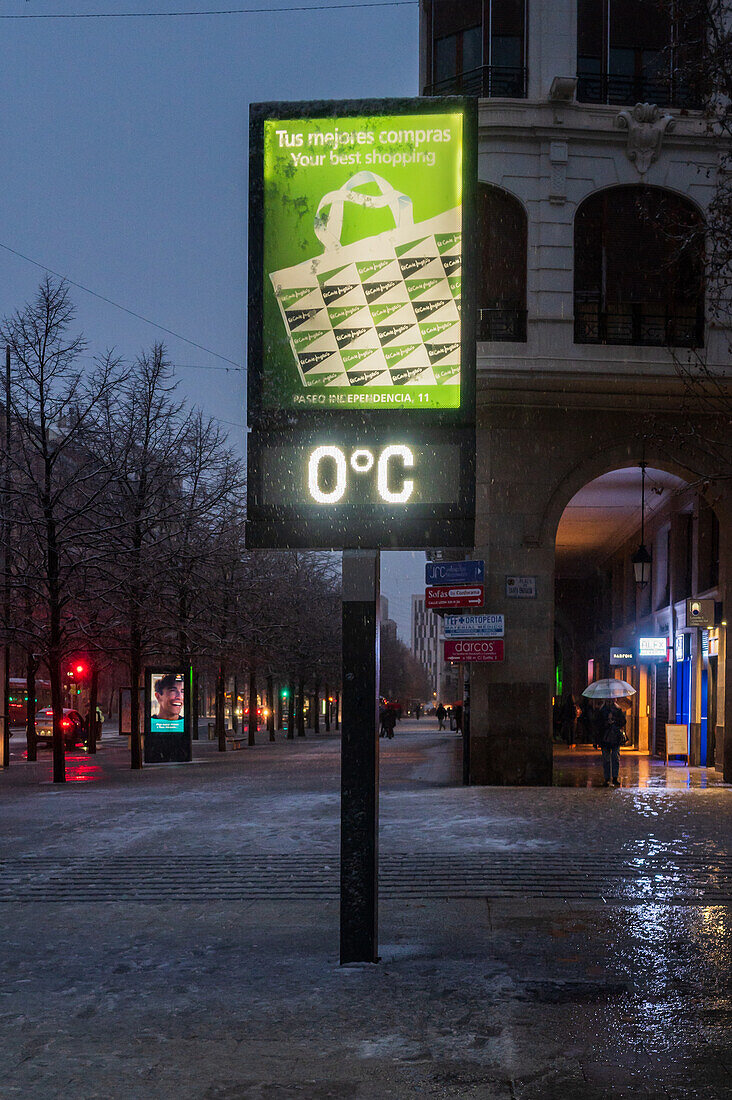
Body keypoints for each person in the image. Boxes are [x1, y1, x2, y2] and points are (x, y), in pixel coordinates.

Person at [595, 699, 626, 787]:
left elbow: (623, 722)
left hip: (615, 737)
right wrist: (606, 722)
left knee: (615, 757)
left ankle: (615, 777)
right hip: (605, 737)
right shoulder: (602, 710)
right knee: (606, 759)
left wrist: (614, 720)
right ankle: (607, 778)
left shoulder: (618, 709)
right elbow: (597, 725)